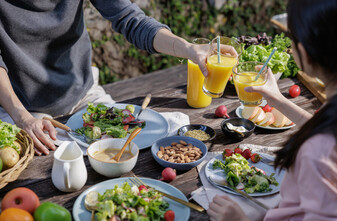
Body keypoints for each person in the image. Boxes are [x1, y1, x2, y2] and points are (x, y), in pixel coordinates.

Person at [207, 0, 337, 221]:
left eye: (290, 35)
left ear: (305, 54)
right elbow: (329, 132)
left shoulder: (317, 153)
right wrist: (276, 98)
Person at [0, 0, 209, 155]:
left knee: (132, 153)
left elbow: (130, 19)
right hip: (21, 110)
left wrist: (189, 48)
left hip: (84, 97)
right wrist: (23, 118)